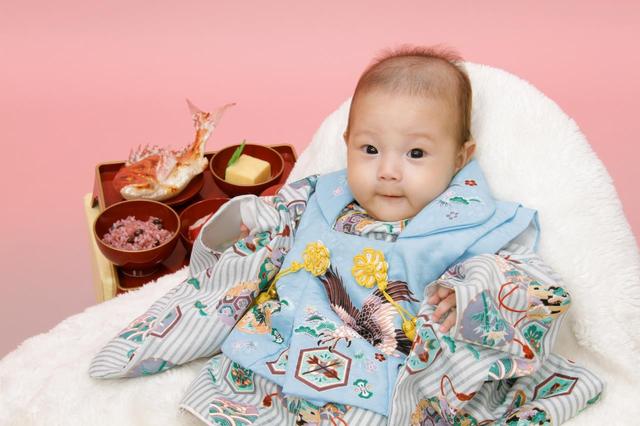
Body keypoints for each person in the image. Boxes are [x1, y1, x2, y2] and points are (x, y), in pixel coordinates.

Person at [91, 46, 603, 425]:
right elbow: (275, 219)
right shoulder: (323, 194)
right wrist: (249, 221)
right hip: (287, 346)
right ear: (347, 143)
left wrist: (475, 289)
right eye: (370, 149)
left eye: (416, 154)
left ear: (460, 157)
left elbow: (526, 279)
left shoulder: (471, 220)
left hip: (386, 369)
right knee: (236, 387)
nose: (388, 171)